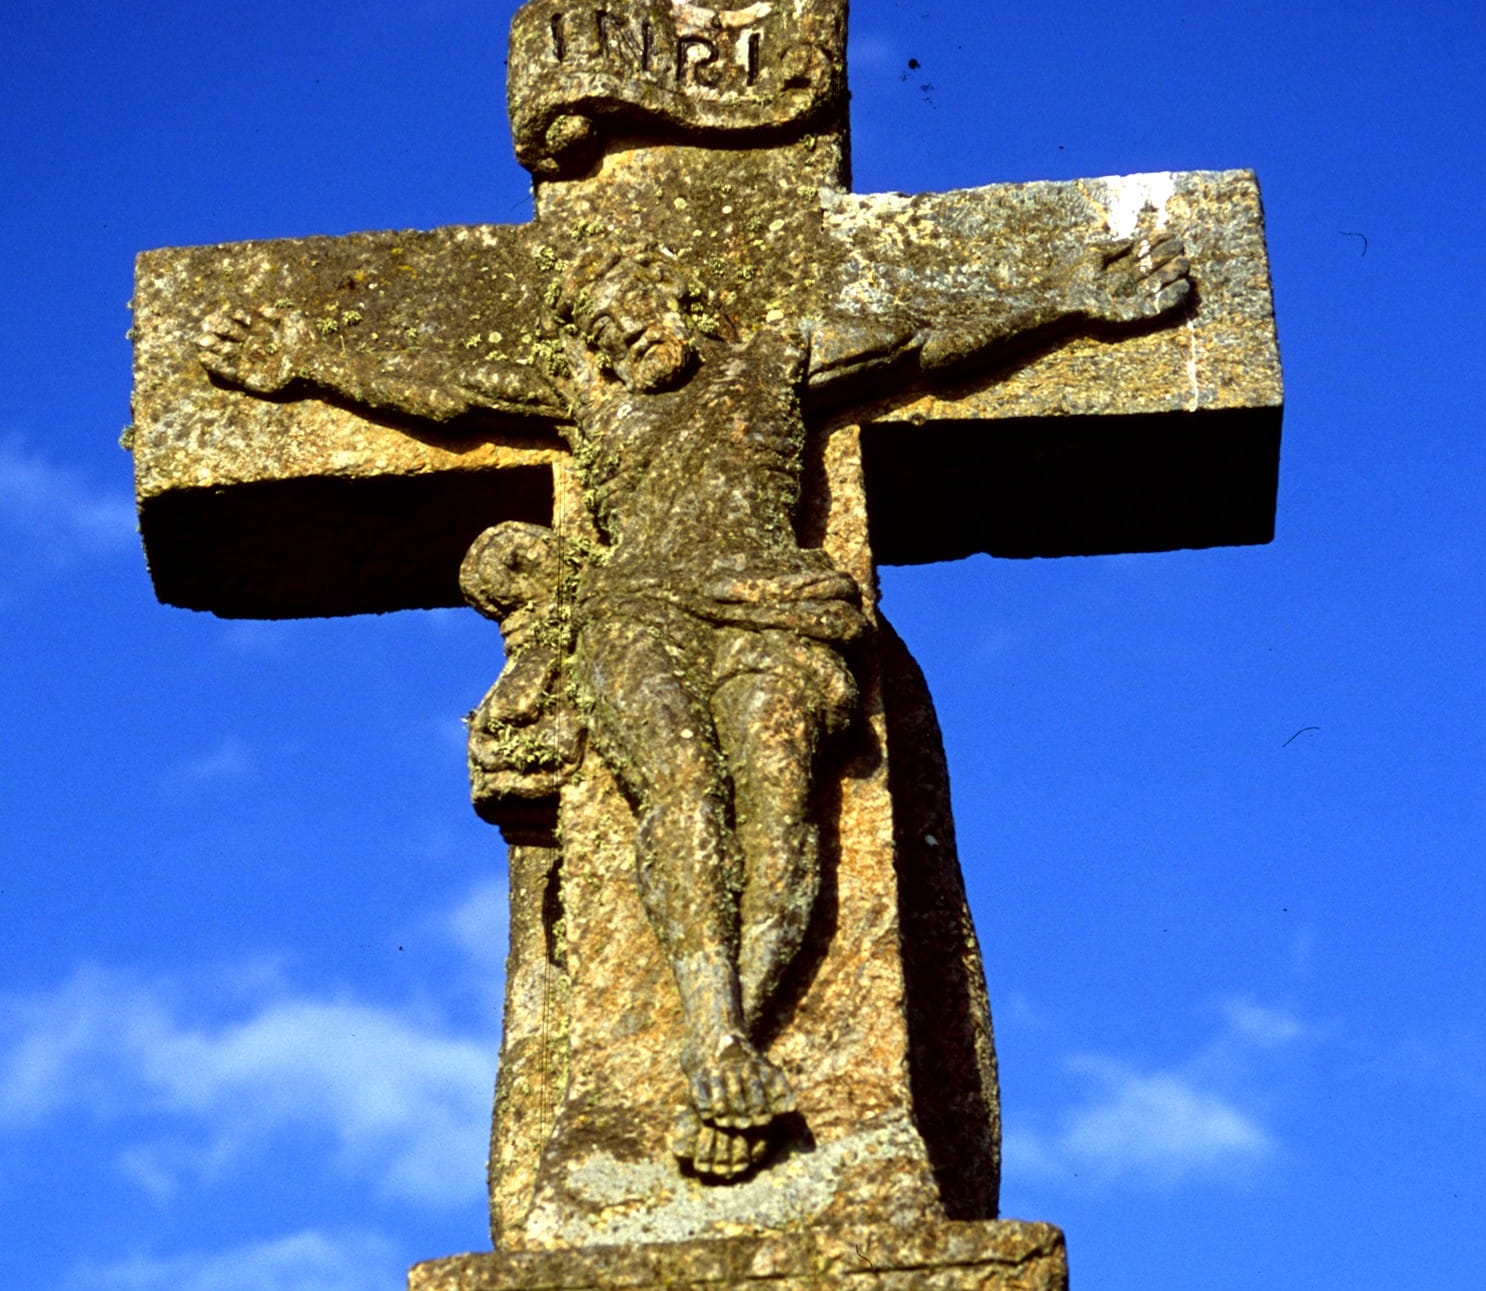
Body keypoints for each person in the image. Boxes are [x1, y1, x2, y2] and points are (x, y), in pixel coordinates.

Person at [200, 219, 1188, 1180]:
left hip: (772, 605)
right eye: (599, 327)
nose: (622, 331)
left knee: (779, 801)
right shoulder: (585, 398)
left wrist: (1070, 298)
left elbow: (923, 338)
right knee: (679, 790)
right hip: (637, 611)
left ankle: (732, 1040)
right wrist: (308, 361)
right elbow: (451, 396)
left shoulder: (777, 360)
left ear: (673, 295)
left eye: (629, 304)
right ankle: (713, 1034)